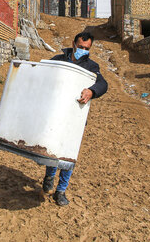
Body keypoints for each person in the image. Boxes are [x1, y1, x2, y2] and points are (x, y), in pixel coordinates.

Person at [42, 31, 108, 206]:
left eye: (87, 49)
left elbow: (103, 84)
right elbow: (43, 74)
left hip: (75, 118)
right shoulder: (58, 60)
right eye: (80, 47)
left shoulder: (92, 67)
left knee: (69, 155)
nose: (83, 51)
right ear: (73, 44)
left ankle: (61, 190)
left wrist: (91, 91)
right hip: (55, 114)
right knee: (53, 149)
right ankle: (49, 176)